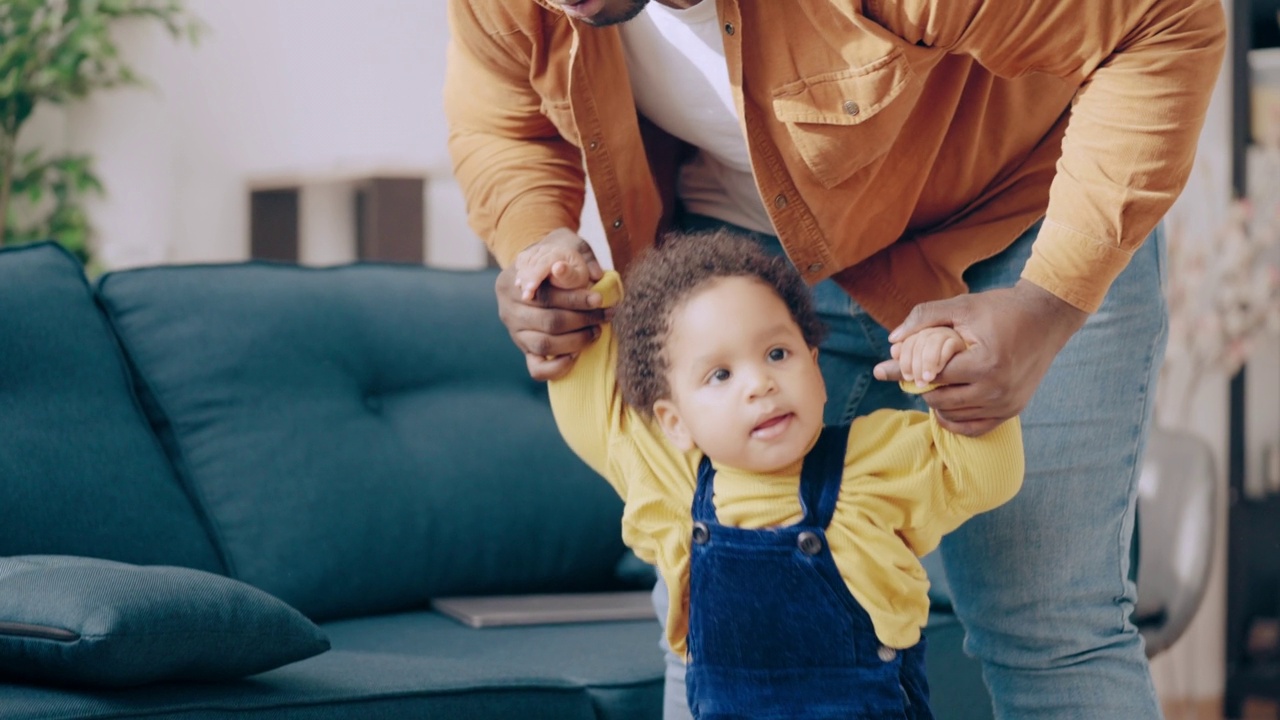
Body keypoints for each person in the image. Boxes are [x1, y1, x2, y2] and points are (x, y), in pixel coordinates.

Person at [444, 1, 1227, 717]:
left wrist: (1047, 305)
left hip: (1020, 223)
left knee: (1051, 623)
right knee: (710, 619)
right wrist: (537, 243)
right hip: (748, 257)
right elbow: (503, 122)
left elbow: (1164, 20)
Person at [514, 227, 1023, 719]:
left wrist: (946, 370)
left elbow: (986, 476)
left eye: (777, 354)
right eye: (720, 374)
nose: (760, 383)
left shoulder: (877, 460)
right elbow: (587, 395)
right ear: (674, 422)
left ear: (816, 369)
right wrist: (572, 282)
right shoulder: (669, 483)